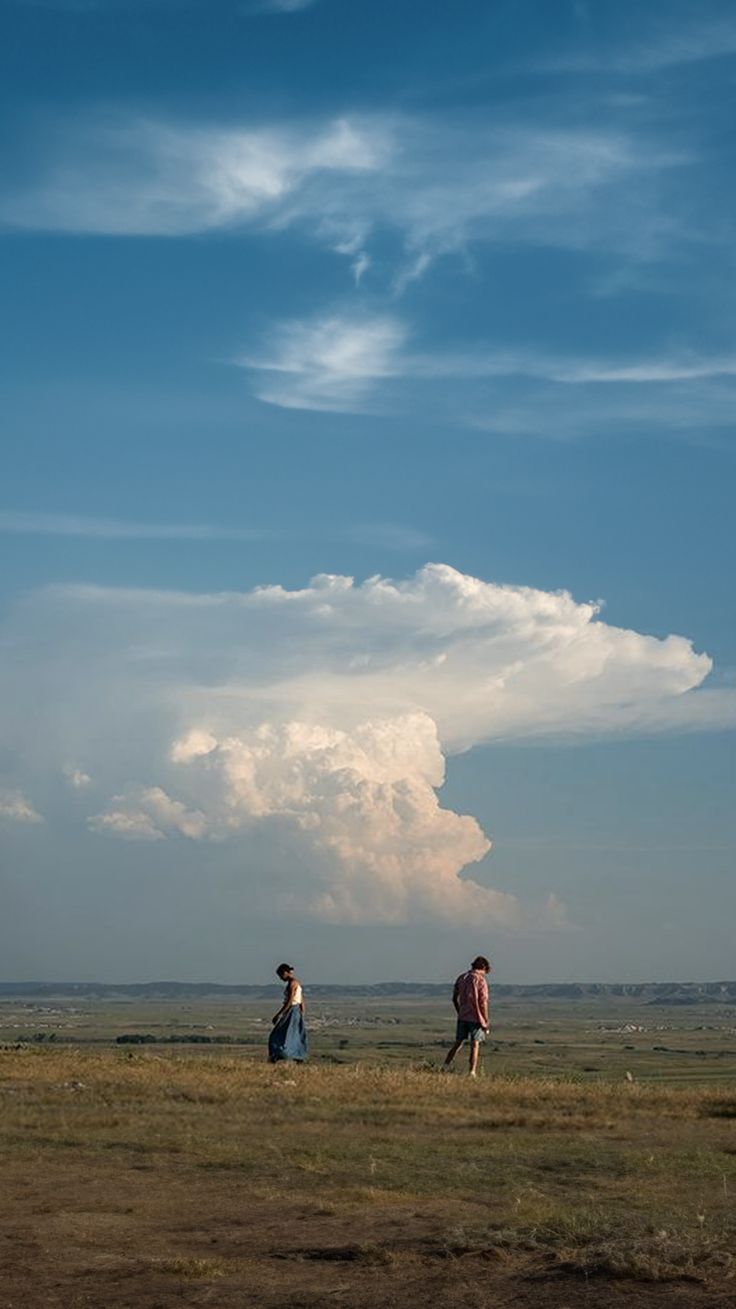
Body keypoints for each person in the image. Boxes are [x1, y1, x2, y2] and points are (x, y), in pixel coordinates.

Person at [443, 955, 492, 1077]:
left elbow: (454, 998)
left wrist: (460, 1011)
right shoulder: (480, 980)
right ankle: (472, 1072)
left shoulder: (462, 978)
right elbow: (483, 1002)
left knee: (458, 1043)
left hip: (463, 1016)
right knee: (475, 1044)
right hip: (476, 1018)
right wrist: (485, 1019)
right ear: (484, 967)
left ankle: (445, 1066)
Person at [268, 963, 308, 1064]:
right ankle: (297, 1056)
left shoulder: (292, 984)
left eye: (281, 976)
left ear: (285, 973)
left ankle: (278, 1055)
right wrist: (302, 1012)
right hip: (296, 1011)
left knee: (278, 1034)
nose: (281, 979)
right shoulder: (296, 983)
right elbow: (301, 999)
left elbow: (290, 1001)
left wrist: (279, 1014)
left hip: (292, 1010)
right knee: (294, 1034)